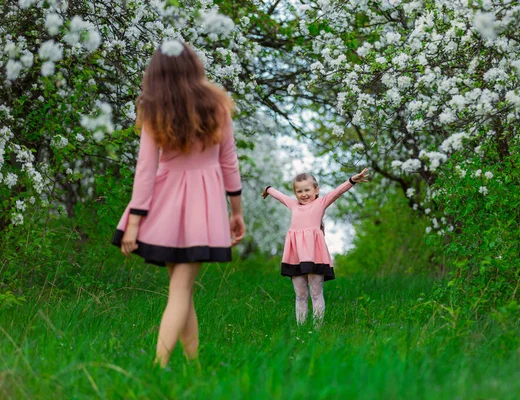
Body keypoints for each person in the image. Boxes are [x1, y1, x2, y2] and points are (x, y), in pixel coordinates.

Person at [111, 41, 245, 368]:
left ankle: (161, 365)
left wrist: (135, 220)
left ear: (156, 71)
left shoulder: (155, 108)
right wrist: (236, 210)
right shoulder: (217, 105)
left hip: (165, 204)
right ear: (194, 66)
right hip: (204, 207)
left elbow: (145, 170)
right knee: (181, 289)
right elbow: (229, 162)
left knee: (180, 288)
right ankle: (190, 365)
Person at [262, 168, 369, 325]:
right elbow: (278, 195)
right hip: (295, 256)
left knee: (316, 293)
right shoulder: (293, 205)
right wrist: (267, 190)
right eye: (299, 191)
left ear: (316, 190)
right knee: (300, 295)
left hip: (315, 255)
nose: (303, 194)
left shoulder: (321, 203)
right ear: (295, 193)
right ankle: (301, 328)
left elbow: (337, 192)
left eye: (307, 190)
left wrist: (352, 180)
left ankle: (317, 329)